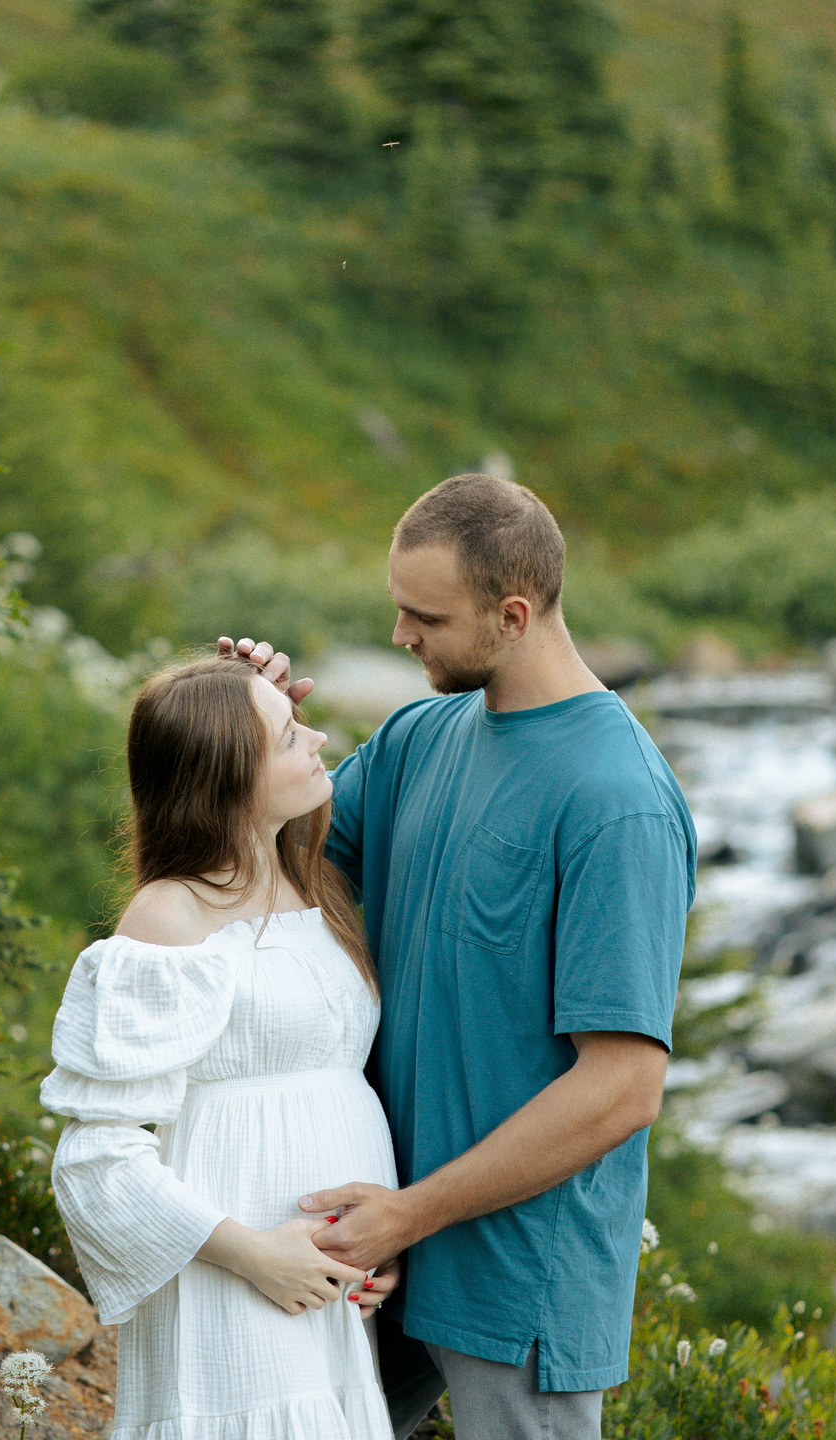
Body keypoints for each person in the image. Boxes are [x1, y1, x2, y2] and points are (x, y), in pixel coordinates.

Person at [223, 472, 694, 1439]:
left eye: (425, 617)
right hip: (376, 1240)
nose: (401, 636)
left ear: (512, 616)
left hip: (513, 1278)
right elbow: (275, 871)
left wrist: (413, 1213)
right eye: (400, 607)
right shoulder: (417, 738)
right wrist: (251, 733)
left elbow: (622, 1089)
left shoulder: (618, 801)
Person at [42, 655, 406, 1439]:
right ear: (227, 779)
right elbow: (97, 1156)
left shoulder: (309, 884)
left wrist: (379, 1236)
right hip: (236, 1282)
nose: (319, 739)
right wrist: (255, 1255)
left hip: (332, 1289)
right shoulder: (169, 916)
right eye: (289, 737)